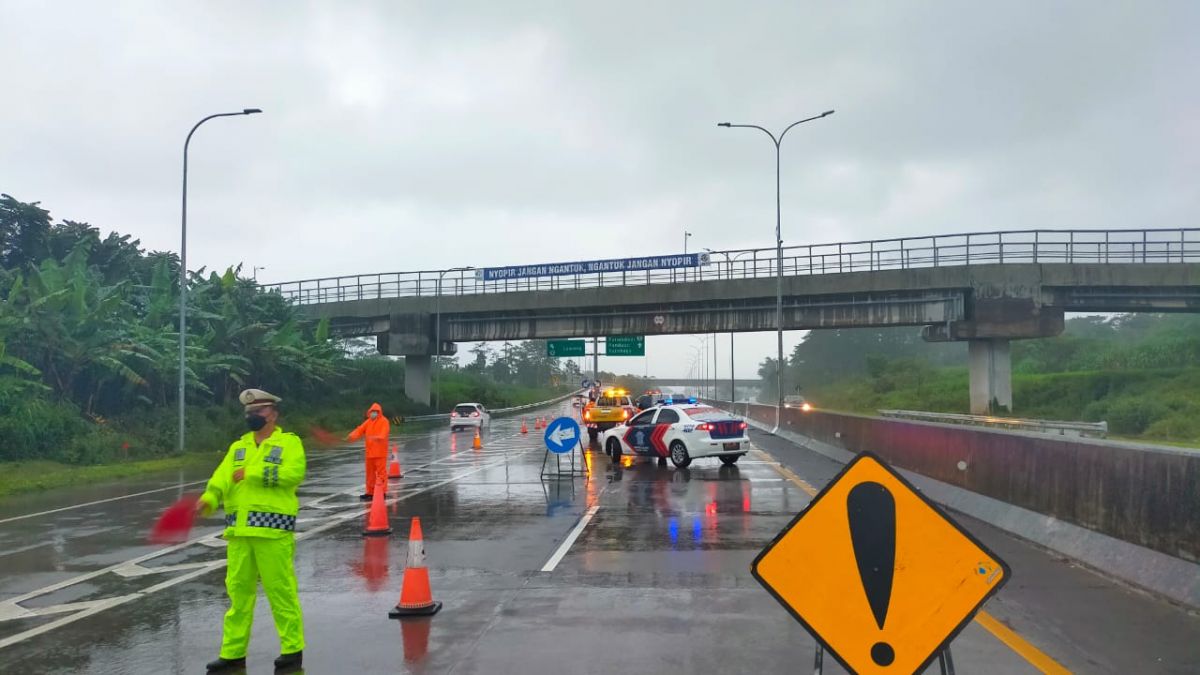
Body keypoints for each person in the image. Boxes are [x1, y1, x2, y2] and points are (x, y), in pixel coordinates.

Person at [200, 389, 306, 672]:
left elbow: (293, 474)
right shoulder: (239, 447)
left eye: (258, 411)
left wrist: (252, 474)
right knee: (237, 596)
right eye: (249, 412)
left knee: (281, 593)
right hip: (239, 534)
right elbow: (221, 478)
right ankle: (232, 653)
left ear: (273, 413)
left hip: (273, 532)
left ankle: (292, 649)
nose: (253, 416)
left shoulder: (289, 443)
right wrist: (210, 498)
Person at [347, 402, 391, 501]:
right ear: (369, 412)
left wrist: (378, 437)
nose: (373, 413)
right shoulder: (368, 422)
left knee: (381, 474)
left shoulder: (384, 421)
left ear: (379, 412)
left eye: (375, 412)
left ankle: (382, 492)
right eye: (372, 412)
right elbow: (360, 430)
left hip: (380, 453)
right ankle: (370, 492)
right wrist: (352, 436)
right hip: (370, 453)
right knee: (370, 475)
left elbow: (384, 433)